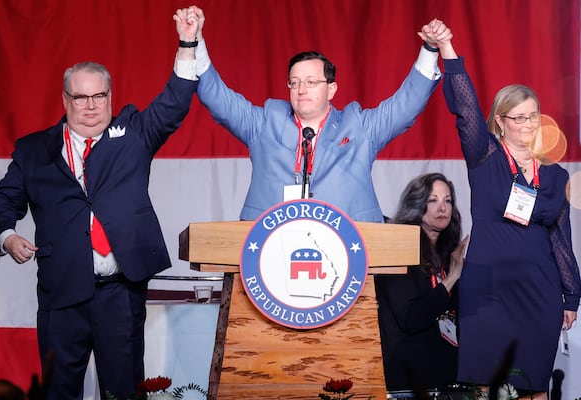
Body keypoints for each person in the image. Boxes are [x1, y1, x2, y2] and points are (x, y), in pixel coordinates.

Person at [0, 9, 200, 400]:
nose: (90, 105)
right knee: (58, 391)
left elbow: (173, 103)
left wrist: (187, 42)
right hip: (61, 290)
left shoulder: (133, 135)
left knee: (122, 391)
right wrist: (7, 235)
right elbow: (2, 200)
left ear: (109, 97)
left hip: (120, 291)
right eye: (80, 97)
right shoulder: (35, 150)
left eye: (98, 95)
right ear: (65, 99)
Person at [179, 5, 451, 222]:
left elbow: (405, 106)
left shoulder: (357, 126)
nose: (301, 89)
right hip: (268, 246)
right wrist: (194, 41)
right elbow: (218, 98)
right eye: (294, 82)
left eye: (311, 82)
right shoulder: (265, 123)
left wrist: (429, 50)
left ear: (332, 89)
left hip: (348, 248)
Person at [428, 32, 581, 399]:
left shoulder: (556, 174)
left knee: (534, 387)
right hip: (488, 291)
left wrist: (570, 296)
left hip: (538, 292)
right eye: (519, 117)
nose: (528, 125)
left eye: (533, 116)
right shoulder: (485, 156)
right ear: (500, 120)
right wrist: (448, 51)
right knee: (487, 386)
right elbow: (465, 107)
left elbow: (561, 239)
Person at [374, 173, 469, 395]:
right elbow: (411, 318)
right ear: (417, 204)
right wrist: (451, 279)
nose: (442, 207)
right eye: (432, 200)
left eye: (448, 200)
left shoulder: (450, 254)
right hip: (409, 382)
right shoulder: (397, 251)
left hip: (448, 378)